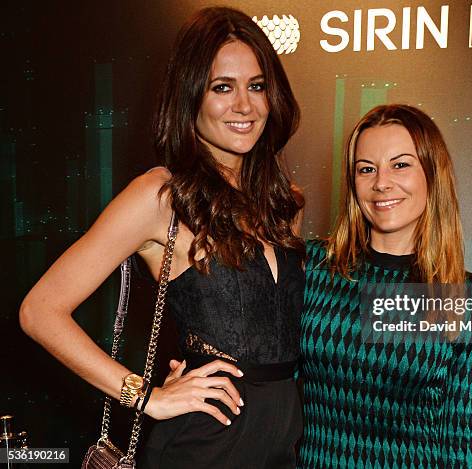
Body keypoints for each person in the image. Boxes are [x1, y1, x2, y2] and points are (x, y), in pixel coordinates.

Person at [19, 6, 305, 468]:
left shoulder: (279, 203)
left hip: (282, 446)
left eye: (256, 86)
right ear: (190, 95)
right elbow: (39, 311)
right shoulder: (160, 194)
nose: (244, 106)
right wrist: (147, 397)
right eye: (221, 88)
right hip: (204, 446)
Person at [298, 104, 472, 468]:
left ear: (432, 174)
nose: (381, 182)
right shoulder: (314, 267)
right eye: (366, 169)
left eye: (400, 164)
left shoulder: (463, 294)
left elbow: (460, 433)